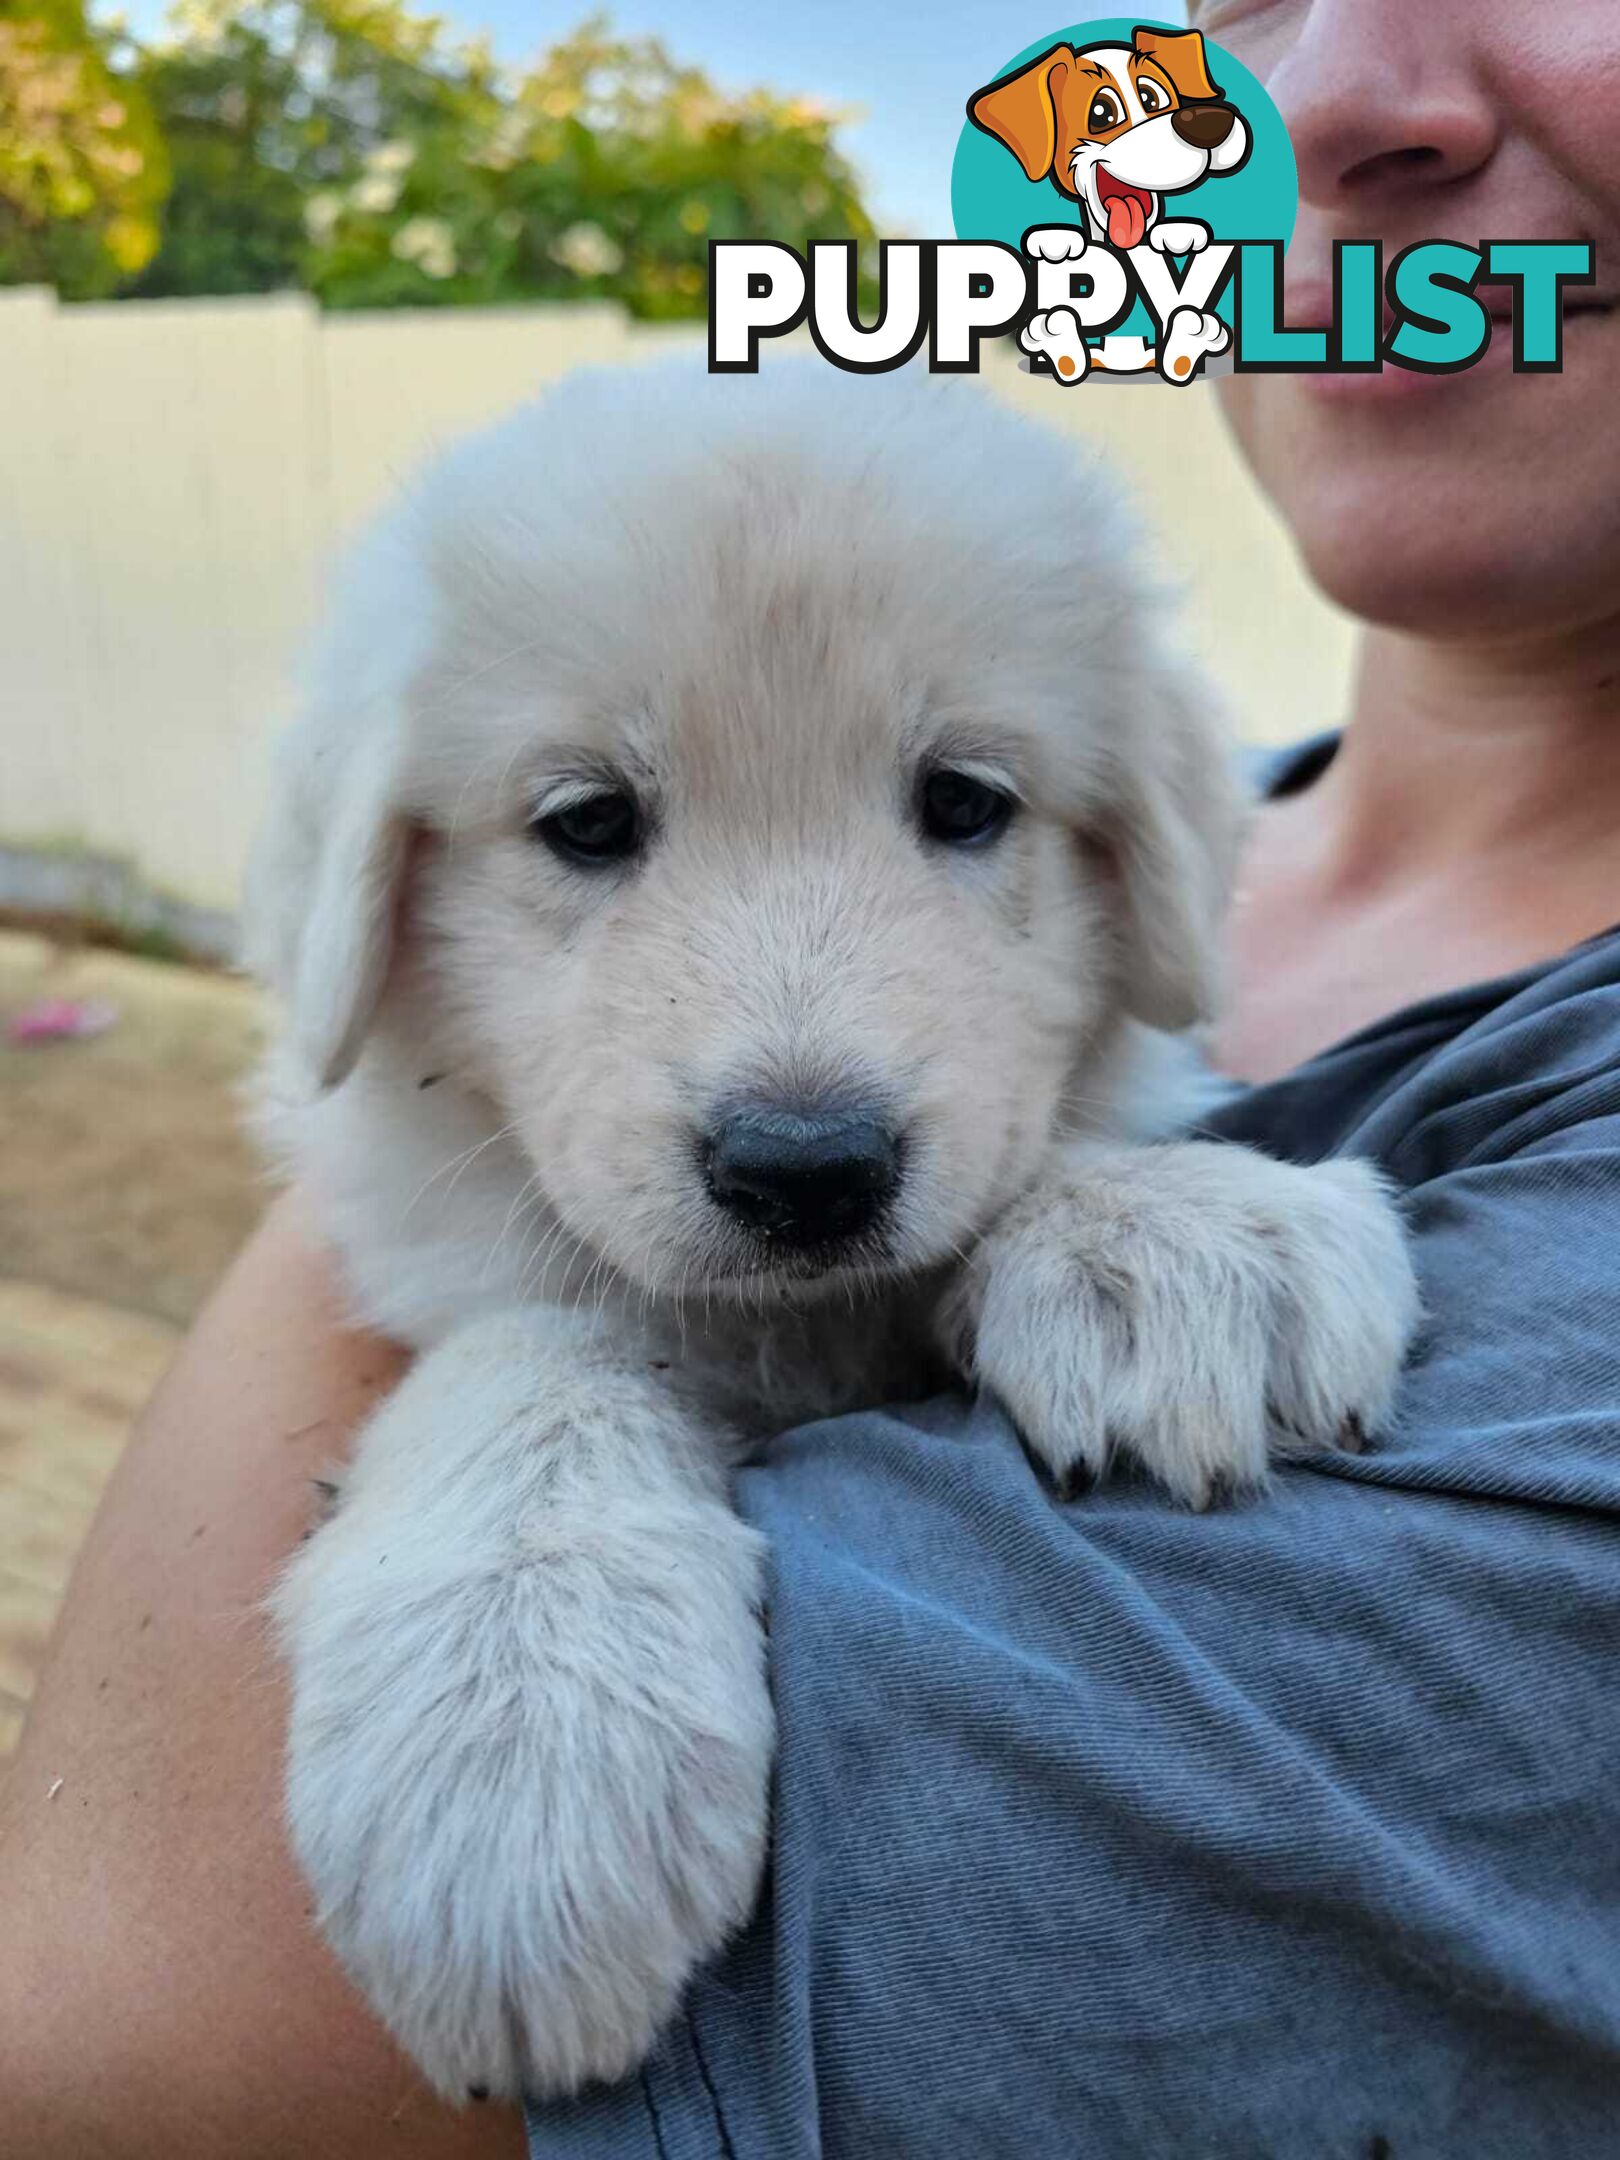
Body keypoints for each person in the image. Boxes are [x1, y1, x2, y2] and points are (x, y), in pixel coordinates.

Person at [4, 0, 1619, 2151]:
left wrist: (1088, 1183)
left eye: (963, 802)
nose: (802, 1066)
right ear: (362, 876)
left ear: (1132, 841)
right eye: (585, 823)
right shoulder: (1236, 798)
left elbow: (137, 2043)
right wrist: (516, 1407)